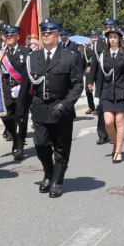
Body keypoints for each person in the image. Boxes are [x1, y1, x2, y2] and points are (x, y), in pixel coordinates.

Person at [17, 20, 83, 198]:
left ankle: (57, 181)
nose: (45, 35)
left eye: (49, 33)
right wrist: (20, 112)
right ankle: (48, 172)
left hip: (61, 107)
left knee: (61, 147)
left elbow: (77, 85)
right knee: (40, 145)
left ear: (57, 36)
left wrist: (66, 104)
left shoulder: (70, 57)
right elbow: (26, 87)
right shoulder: (33, 58)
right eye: (43, 33)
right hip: (39, 107)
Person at [93, 28, 124, 164]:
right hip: (107, 93)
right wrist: (97, 95)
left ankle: (118, 151)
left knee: (119, 122)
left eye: (114, 37)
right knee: (108, 122)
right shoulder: (103, 55)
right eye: (110, 37)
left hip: (122, 92)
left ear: (119, 39)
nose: (112, 39)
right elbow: (99, 76)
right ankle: (114, 143)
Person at [0, 25, 31, 160]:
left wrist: (22, 87)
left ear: (18, 37)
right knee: (5, 115)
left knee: (21, 118)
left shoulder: (26, 51)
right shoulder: (1, 52)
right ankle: (15, 137)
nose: (9, 37)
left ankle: (20, 145)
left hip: (21, 88)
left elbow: (29, 72)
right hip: (6, 87)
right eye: (7, 35)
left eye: (12, 35)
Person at [87, 18, 118, 145]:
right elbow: (94, 63)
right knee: (100, 108)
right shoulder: (98, 43)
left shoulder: (120, 41)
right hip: (101, 79)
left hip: (115, 79)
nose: (108, 30)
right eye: (106, 28)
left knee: (114, 108)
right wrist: (90, 81)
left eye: (110, 28)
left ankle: (113, 134)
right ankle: (102, 135)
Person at [83, 30, 100, 115]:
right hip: (90, 70)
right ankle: (91, 106)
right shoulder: (87, 47)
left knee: (98, 89)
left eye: (95, 36)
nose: (94, 38)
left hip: (99, 71)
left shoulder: (100, 46)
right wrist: (87, 67)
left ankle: (97, 107)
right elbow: (86, 59)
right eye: (92, 37)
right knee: (88, 90)